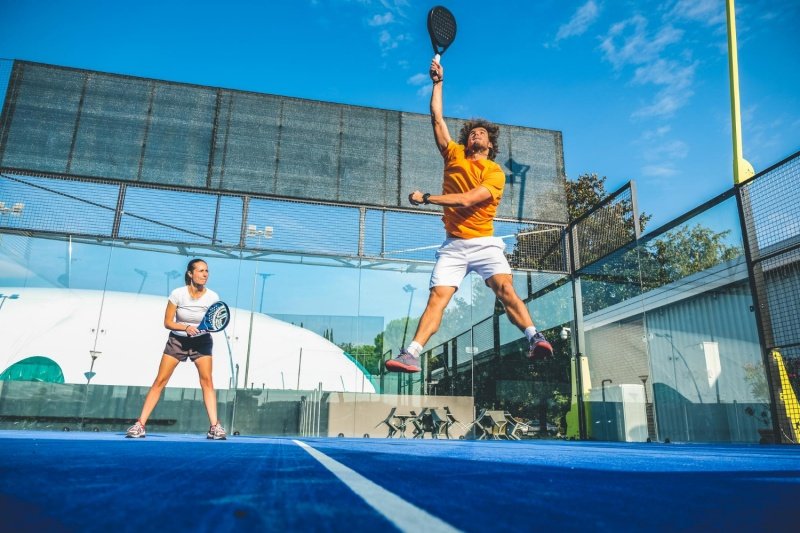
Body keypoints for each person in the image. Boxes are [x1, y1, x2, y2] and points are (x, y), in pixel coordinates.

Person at [385, 59, 553, 374]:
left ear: (490, 144)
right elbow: (436, 117)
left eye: (480, 133)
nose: (475, 134)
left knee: (505, 290)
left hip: (484, 244)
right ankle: (411, 354)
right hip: (453, 246)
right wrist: (438, 82)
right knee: (437, 299)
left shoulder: (494, 173)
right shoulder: (454, 154)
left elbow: (465, 200)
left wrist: (426, 198)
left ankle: (534, 337)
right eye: (472, 132)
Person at [126, 258, 227, 440]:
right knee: (160, 381)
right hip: (177, 342)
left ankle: (214, 427)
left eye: (207, 271)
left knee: (207, 382)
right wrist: (185, 328)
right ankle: (139, 425)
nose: (205, 274)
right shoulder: (178, 294)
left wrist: (199, 330)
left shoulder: (212, 297)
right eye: (201, 271)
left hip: (202, 342)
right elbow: (168, 322)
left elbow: (214, 322)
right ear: (190, 273)